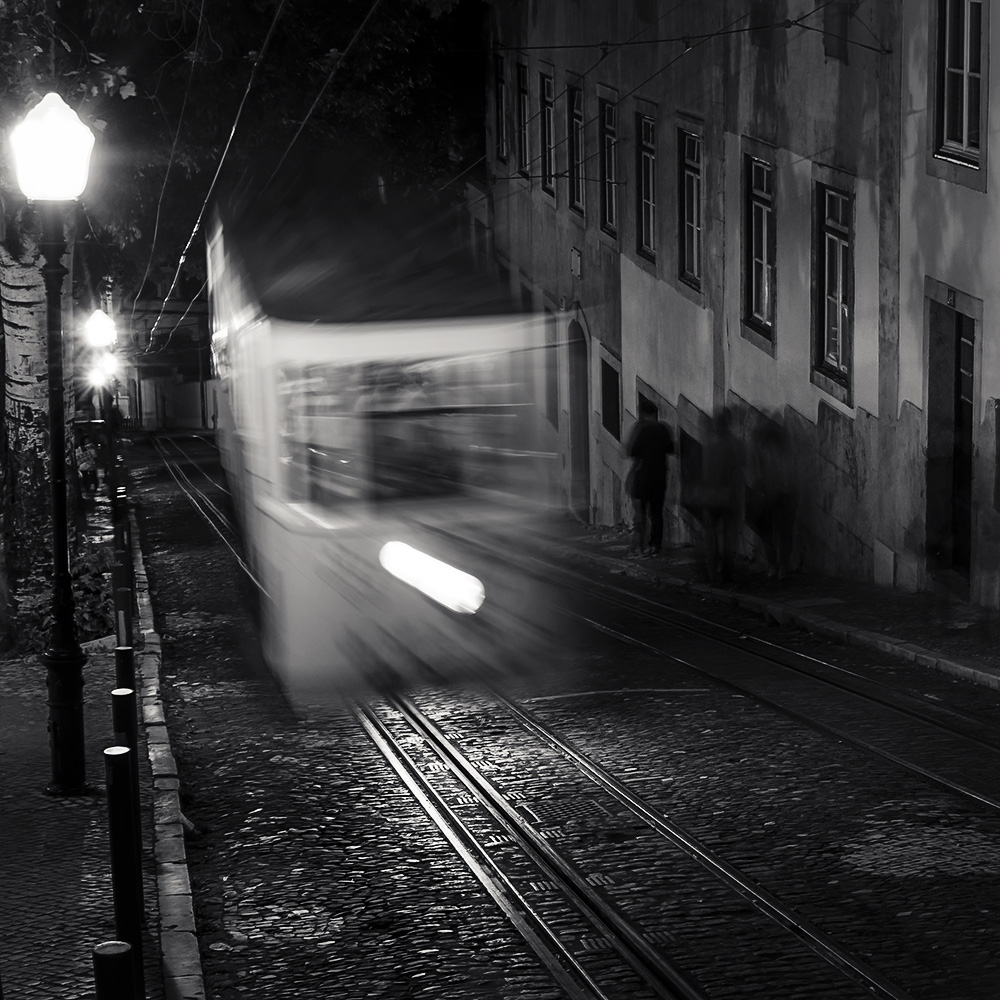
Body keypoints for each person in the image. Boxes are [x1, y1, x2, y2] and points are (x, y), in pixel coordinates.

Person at [698, 406, 745, 585]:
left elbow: (705, 472)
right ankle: (726, 570)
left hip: (711, 497)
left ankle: (713, 572)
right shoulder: (737, 445)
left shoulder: (709, 445)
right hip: (730, 497)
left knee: (711, 535)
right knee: (728, 536)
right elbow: (740, 470)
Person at [747, 412, 796, 580]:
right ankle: (782, 566)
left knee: (769, 533)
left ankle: (774, 565)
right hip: (784, 493)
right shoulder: (784, 446)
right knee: (783, 532)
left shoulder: (760, 447)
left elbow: (755, 473)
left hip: (770, 495)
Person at [626, 399, 674, 556]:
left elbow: (631, 451)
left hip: (643, 477)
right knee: (656, 513)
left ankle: (640, 546)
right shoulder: (663, 429)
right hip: (660, 476)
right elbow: (670, 448)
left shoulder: (641, 429)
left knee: (641, 513)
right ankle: (655, 546)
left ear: (643, 413)